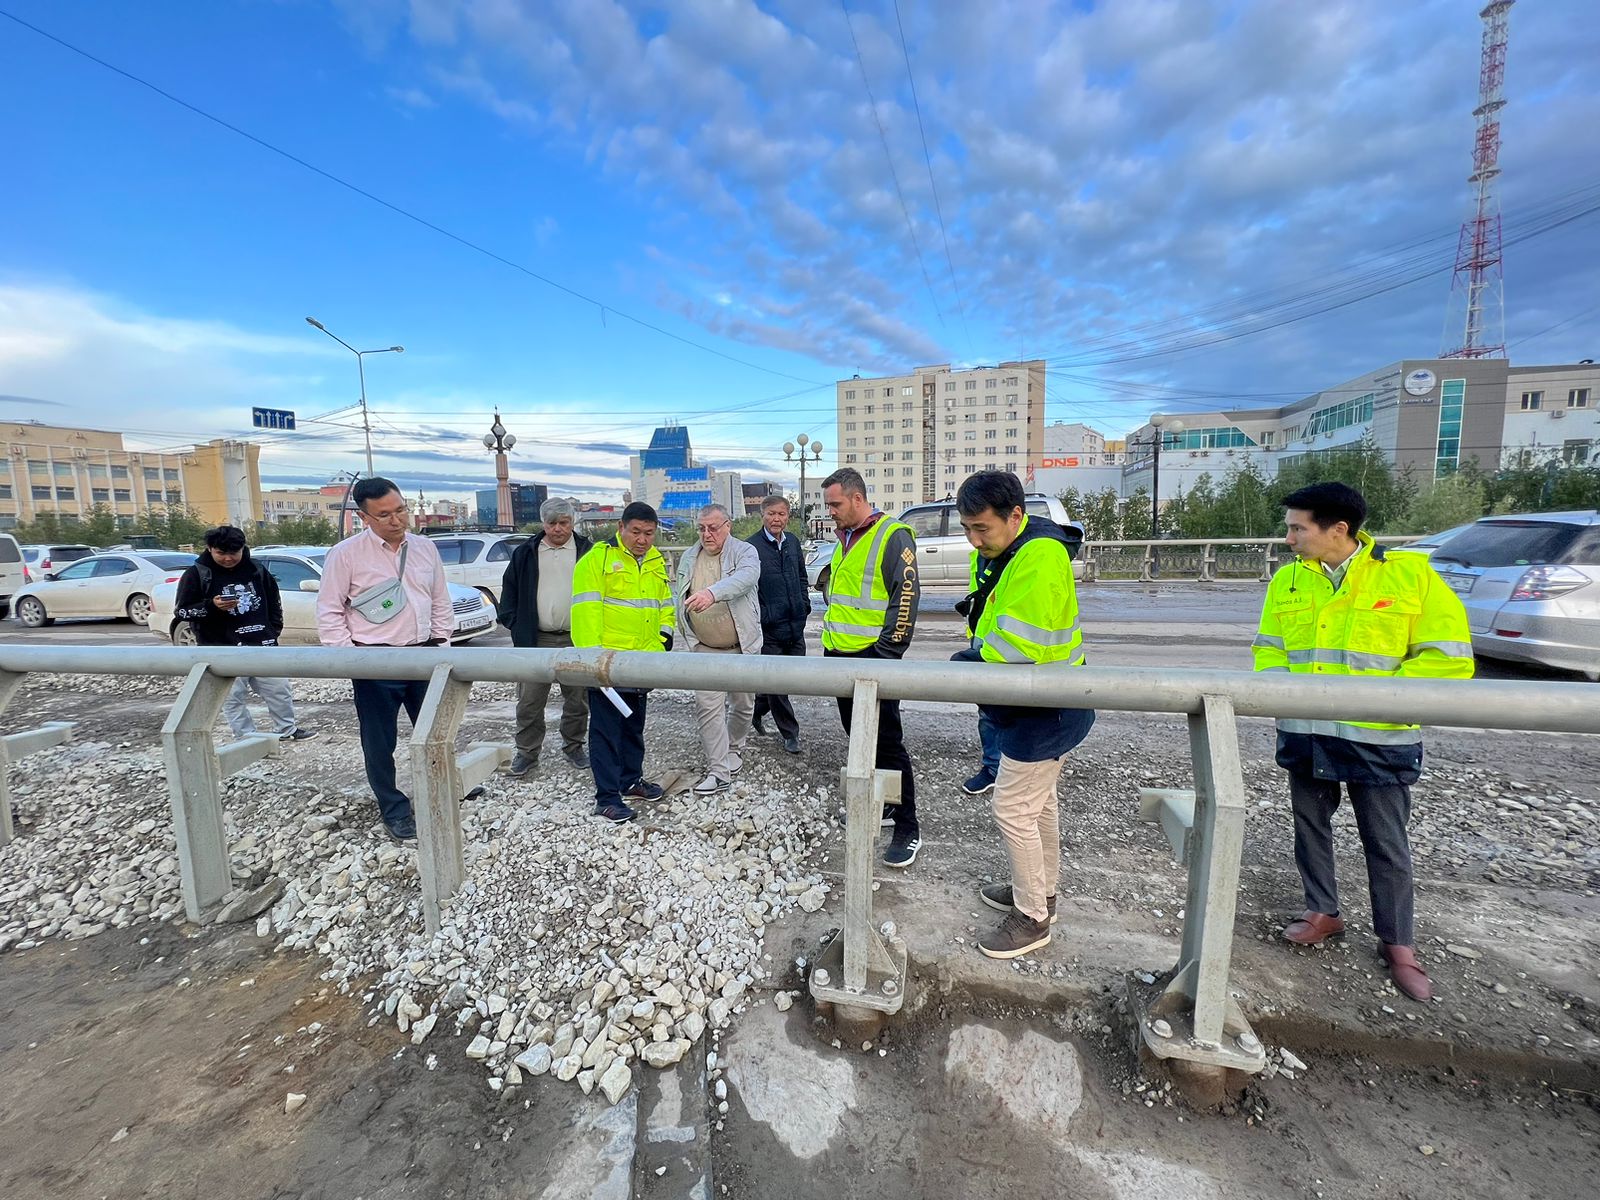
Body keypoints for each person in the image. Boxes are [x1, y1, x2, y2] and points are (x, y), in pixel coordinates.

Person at [1253, 481, 1473, 1002]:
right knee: (1310, 830)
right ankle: (1322, 911)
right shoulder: (1288, 582)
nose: (1289, 539)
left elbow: (1449, 658)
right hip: (1306, 733)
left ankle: (1398, 945)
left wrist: (1374, 696)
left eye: (1297, 528)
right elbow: (1268, 652)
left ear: (1339, 530)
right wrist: (1285, 691)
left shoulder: (1408, 574)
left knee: (1386, 843)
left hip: (1378, 738)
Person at [949, 472, 1094, 960]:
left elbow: (1017, 645)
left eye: (982, 528)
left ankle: (1032, 918)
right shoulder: (1007, 550)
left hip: (1046, 707)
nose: (974, 539)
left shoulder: (1040, 556)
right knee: (1040, 807)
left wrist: (969, 663)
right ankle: (1039, 893)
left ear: (1015, 515)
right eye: (968, 528)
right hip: (1038, 703)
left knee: (1012, 810)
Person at [316, 476, 455, 843]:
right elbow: (329, 612)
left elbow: (440, 600)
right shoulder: (345, 555)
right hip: (374, 661)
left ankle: (444, 788)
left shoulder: (425, 549)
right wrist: (351, 660)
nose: (396, 520)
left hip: (424, 656)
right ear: (365, 517)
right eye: (384, 515)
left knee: (436, 733)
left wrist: (441, 645)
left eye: (400, 510)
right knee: (380, 742)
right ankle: (394, 807)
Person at [819, 467, 922, 867]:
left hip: (872, 660)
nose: (830, 511)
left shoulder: (892, 536)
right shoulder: (845, 537)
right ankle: (880, 804)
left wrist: (886, 654)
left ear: (857, 499)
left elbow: (906, 597)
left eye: (835, 504)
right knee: (859, 739)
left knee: (888, 744)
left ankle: (908, 826)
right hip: (840, 657)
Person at [572, 502, 675, 823]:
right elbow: (585, 613)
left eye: (648, 533)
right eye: (636, 532)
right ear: (621, 528)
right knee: (605, 731)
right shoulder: (599, 561)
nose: (642, 539)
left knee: (633, 726)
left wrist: (664, 638)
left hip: (642, 661)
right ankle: (606, 797)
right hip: (609, 664)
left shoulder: (656, 561)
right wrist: (595, 662)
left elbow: (665, 605)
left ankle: (630, 779)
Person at [173, 525, 314, 742]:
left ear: (243, 548)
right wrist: (212, 606)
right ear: (210, 549)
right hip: (222, 648)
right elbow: (182, 610)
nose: (229, 558)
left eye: (234, 553)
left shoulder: (256, 569)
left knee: (279, 689)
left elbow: (274, 601)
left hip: (263, 644)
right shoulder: (197, 574)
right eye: (222, 553)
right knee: (232, 697)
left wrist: (273, 630)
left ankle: (287, 730)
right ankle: (246, 737)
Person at [497, 497, 594, 776]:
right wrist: (515, 624)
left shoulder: (588, 552)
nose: (558, 529)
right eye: (552, 523)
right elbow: (509, 593)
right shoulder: (526, 552)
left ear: (572, 522)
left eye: (564, 523)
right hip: (534, 640)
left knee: (577, 700)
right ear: (543, 523)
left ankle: (574, 746)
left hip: (576, 639)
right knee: (529, 701)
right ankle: (527, 752)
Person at [674, 503, 763, 795]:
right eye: (701, 528)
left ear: (728, 526)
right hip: (706, 648)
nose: (707, 534)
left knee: (743, 704)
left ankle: (735, 748)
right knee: (707, 707)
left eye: (713, 527)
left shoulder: (745, 552)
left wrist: (712, 594)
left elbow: (746, 578)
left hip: (742, 646)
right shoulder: (689, 556)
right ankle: (719, 770)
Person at [747, 494, 810, 755]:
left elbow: (802, 577)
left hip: (796, 625)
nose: (777, 519)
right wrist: (764, 615)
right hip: (769, 629)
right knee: (777, 682)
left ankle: (757, 708)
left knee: (790, 680)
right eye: (772, 513)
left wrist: (804, 604)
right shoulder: (750, 548)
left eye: (782, 514)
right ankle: (790, 733)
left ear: (787, 516)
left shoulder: (793, 542)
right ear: (763, 515)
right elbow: (747, 590)